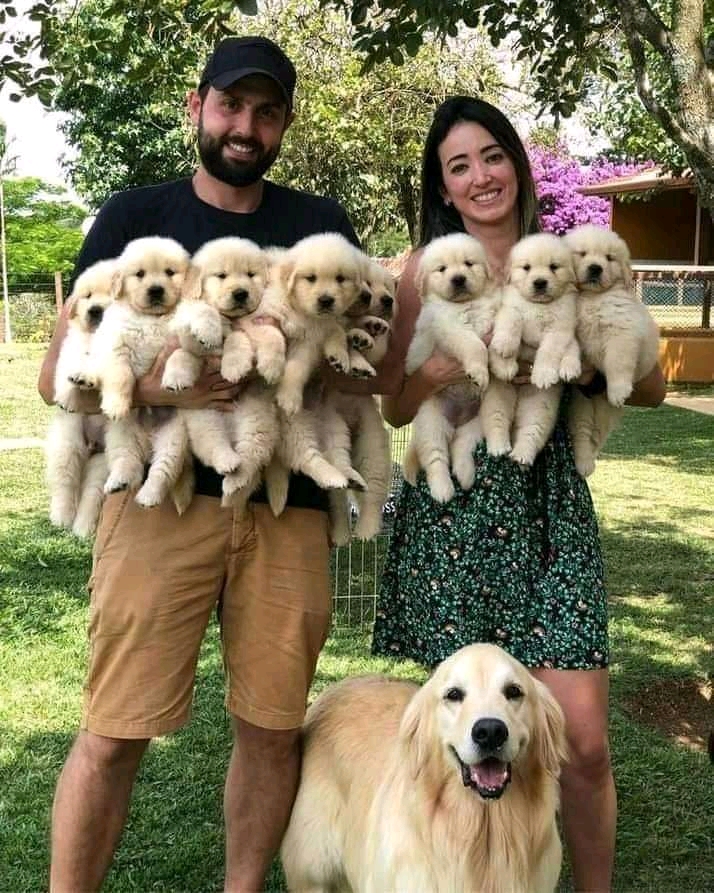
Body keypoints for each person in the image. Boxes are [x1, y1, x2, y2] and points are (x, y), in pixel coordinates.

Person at [38, 35, 362, 893]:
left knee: (271, 727)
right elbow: (59, 380)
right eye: (230, 105)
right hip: (159, 504)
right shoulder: (130, 218)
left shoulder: (319, 227)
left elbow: (361, 360)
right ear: (197, 106)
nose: (245, 126)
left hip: (284, 511)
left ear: (285, 121)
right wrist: (184, 392)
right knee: (112, 728)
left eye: (265, 111)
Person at [371, 95, 666, 893]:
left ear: (516, 162)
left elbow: (654, 388)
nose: (479, 176)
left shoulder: (573, 258)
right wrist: (435, 372)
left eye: (491, 155)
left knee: (582, 738)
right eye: (458, 165)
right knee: (468, 737)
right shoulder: (421, 269)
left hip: (549, 513)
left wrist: (597, 353)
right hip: (455, 515)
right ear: (443, 185)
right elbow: (394, 401)